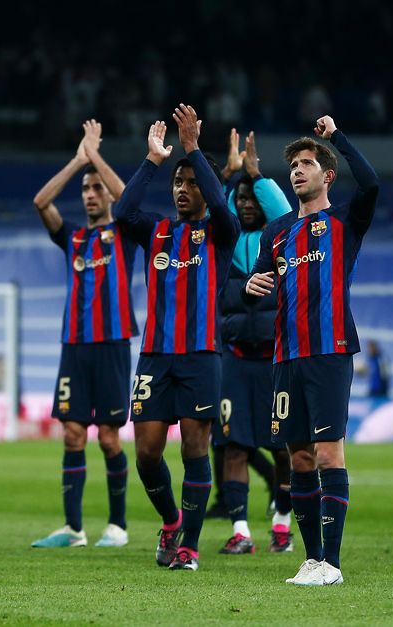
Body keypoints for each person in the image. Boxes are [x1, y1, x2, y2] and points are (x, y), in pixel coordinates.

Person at [246, 115, 380, 586]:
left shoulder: (344, 220)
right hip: (286, 355)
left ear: (327, 175)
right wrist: (252, 283)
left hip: (329, 351)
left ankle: (334, 565)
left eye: (307, 164)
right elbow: (258, 279)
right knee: (298, 457)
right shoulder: (277, 232)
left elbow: (372, 182)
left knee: (328, 454)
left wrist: (337, 138)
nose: (298, 171)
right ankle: (312, 558)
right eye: (294, 165)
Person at [115, 105, 241, 571]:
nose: (183, 190)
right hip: (154, 358)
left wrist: (191, 150)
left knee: (194, 447)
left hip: (201, 356)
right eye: (178, 183)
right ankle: (171, 521)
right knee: (146, 452)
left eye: (191, 183)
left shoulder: (219, 233)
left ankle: (187, 544)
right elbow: (123, 211)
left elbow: (222, 205)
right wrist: (153, 160)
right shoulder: (157, 232)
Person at [29, 120, 135, 549]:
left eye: (96, 189)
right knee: (73, 434)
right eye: (86, 190)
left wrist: (96, 157)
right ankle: (73, 529)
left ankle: (118, 526)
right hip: (74, 347)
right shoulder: (73, 237)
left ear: (107, 194)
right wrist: (77, 160)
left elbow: (129, 197)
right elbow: (41, 202)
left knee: (109, 439)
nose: (90, 195)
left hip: (111, 346)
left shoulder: (125, 231)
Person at [213, 128, 295, 555]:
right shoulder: (226, 243)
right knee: (234, 447)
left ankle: (282, 522)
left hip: (274, 360)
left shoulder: (279, 238)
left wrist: (257, 176)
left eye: (252, 198)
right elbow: (218, 208)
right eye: (240, 198)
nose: (245, 203)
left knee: (282, 448)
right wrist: (229, 178)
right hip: (236, 361)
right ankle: (241, 530)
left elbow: (282, 211)